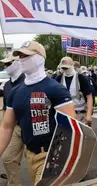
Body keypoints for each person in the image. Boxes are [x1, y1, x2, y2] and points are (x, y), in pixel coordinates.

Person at [0, 41, 77, 185]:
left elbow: (70, 128)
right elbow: (6, 127)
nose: (22, 59)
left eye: (26, 55)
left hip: (52, 155)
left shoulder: (55, 89)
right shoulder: (15, 92)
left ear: (40, 58)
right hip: (30, 155)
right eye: (20, 55)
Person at [0, 53, 25, 186]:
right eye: (5, 64)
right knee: (8, 158)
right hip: (15, 127)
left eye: (9, 64)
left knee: (36, 162)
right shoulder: (8, 85)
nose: (6, 66)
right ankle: (14, 183)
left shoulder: (28, 80)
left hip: (31, 128)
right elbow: (5, 108)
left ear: (17, 63)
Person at [56, 57, 93, 126]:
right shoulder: (59, 79)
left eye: (66, 68)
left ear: (72, 65)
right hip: (64, 115)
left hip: (80, 115)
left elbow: (89, 96)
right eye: (63, 68)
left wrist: (89, 114)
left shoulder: (81, 78)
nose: (65, 70)